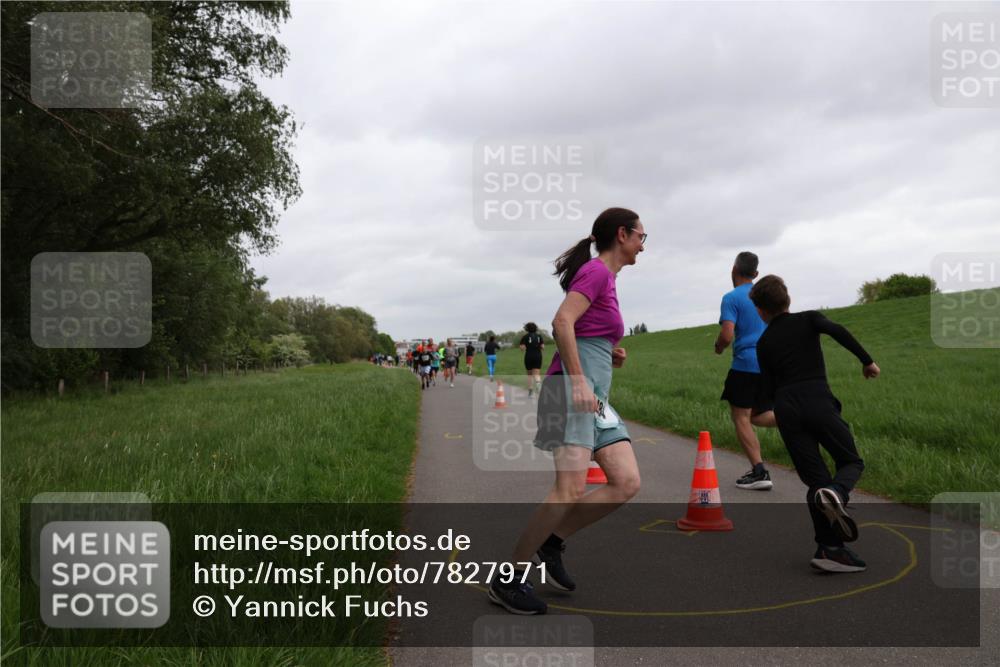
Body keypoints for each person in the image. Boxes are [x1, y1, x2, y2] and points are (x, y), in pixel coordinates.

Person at [488, 207, 645, 615]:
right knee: (569, 488)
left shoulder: (606, 279)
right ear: (623, 234)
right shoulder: (595, 272)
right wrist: (577, 379)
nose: (644, 245)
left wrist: (610, 352)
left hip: (595, 400)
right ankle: (507, 579)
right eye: (642, 236)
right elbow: (561, 323)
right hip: (568, 392)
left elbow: (584, 331)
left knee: (626, 481)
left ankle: (552, 540)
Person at [750, 275, 880, 573]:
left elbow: (760, 406)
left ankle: (829, 548)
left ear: (761, 310)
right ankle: (839, 494)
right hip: (817, 399)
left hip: (786, 408)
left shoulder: (764, 343)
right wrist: (867, 361)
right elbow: (838, 331)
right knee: (850, 461)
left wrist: (774, 417)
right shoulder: (809, 319)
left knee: (816, 483)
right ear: (788, 300)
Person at [714, 251, 778, 490]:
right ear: (756, 274)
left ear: (734, 269)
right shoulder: (765, 297)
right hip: (769, 364)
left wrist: (719, 347)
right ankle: (795, 416)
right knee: (757, 415)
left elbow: (727, 334)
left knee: (740, 416)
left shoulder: (731, 298)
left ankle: (759, 471)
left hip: (745, 365)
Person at [520, 322, 545, 397]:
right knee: (537, 374)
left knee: (529, 375)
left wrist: (525, 347)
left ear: (527, 328)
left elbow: (522, 348)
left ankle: (530, 393)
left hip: (529, 356)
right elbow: (543, 347)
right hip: (538, 356)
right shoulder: (539, 336)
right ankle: (539, 386)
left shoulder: (525, 336)